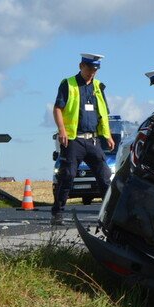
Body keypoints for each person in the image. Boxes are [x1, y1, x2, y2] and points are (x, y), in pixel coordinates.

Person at [52, 53, 114, 225]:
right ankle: (57, 213)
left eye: (95, 70)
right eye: (89, 69)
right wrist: (62, 130)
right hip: (73, 140)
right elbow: (57, 108)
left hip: (93, 141)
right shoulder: (68, 84)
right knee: (68, 175)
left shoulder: (98, 87)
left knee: (105, 176)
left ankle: (109, 214)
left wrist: (107, 135)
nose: (92, 73)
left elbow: (103, 114)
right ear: (81, 66)